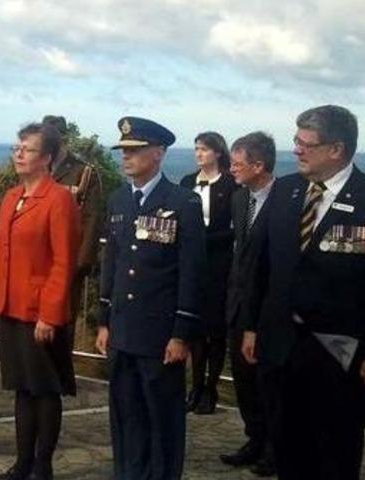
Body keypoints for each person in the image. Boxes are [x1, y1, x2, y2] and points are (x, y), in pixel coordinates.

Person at [254, 105, 365, 480]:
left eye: (305, 144)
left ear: (336, 149)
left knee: (335, 456)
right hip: (281, 351)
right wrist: (251, 327)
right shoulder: (285, 189)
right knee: (286, 451)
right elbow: (261, 266)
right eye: (295, 141)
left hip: (341, 357)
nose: (295, 150)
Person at [95, 117, 206, 480]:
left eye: (135, 151)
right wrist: (103, 319)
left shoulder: (181, 202)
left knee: (162, 419)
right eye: (123, 151)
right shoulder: (118, 200)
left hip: (159, 335)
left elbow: (191, 273)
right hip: (123, 330)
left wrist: (181, 332)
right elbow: (111, 263)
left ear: (157, 154)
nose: (125, 157)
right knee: (125, 413)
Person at [0, 123, 80, 480]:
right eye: (17, 148)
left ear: (48, 158)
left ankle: (42, 466)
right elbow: (0, 257)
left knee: (44, 389)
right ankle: (22, 462)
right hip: (10, 307)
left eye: (28, 149)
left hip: (39, 311)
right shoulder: (11, 197)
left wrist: (50, 316)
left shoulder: (59, 199)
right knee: (22, 389)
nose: (19, 154)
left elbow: (63, 261)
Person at [219, 131, 276, 476]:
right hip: (238, 306)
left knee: (268, 383)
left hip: (268, 311)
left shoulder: (286, 199)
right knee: (243, 381)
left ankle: (274, 448)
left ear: (258, 165)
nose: (231, 170)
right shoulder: (240, 200)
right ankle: (254, 439)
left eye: (237, 164)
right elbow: (240, 255)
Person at [180, 131, 237, 414]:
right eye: (196, 149)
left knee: (215, 329)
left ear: (217, 152)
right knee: (195, 329)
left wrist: (204, 239)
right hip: (193, 264)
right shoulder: (188, 182)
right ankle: (195, 386)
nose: (198, 154)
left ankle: (211, 388)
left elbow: (233, 228)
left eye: (203, 149)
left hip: (219, 265)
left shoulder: (230, 184)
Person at [41, 115, 103, 350]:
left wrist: (80, 265)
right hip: (38, 263)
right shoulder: (38, 169)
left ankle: (58, 382)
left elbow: (92, 220)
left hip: (68, 264)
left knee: (61, 324)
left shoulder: (83, 173)